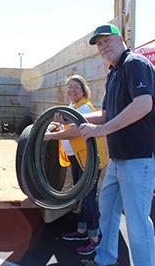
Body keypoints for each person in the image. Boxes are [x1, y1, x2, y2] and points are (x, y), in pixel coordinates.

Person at [78, 24, 155, 266]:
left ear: (121, 38)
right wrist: (76, 117)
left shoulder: (134, 63)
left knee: (137, 222)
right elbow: (106, 113)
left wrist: (100, 131)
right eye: (98, 44)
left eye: (107, 40)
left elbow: (143, 105)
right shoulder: (113, 73)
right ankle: (104, 260)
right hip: (119, 159)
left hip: (140, 157)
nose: (103, 46)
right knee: (107, 213)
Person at [44, 74, 108, 256]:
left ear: (84, 90)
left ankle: (94, 239)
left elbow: (73, 132)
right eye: (69, 87)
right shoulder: (73, 107)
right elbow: (66, 125)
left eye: (76, 87)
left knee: (87, 198)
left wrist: (48, 136)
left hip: (89, 160)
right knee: (80, 196)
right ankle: (81, 232)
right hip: (78, 158)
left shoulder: (85, 108)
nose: (72, 90)